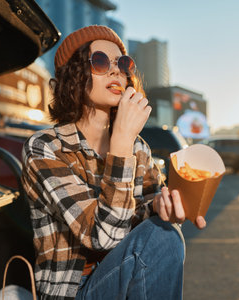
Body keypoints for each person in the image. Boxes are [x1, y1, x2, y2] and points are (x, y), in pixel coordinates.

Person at [21, 25, 206, 300]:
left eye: (123, 63)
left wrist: (160, 208)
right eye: (99, 61)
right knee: (163, 237)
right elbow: (104, 236)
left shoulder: (137, 146)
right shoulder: (45, 147)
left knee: (166, 234)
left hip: (125, 275)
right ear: (74, 75)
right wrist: (121, 142)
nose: (116, 70)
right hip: (72, 292)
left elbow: (144, 230)